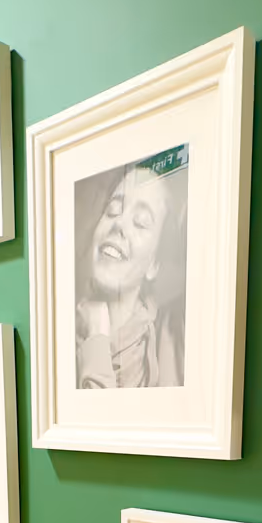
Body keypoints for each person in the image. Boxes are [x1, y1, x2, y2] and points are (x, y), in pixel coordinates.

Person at [75, 151, 187, 389]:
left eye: (141, 222)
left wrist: (96, 340)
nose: (119, 223)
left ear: (154, 264)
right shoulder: (56, 335)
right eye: (113, 210)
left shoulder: (167, 346)